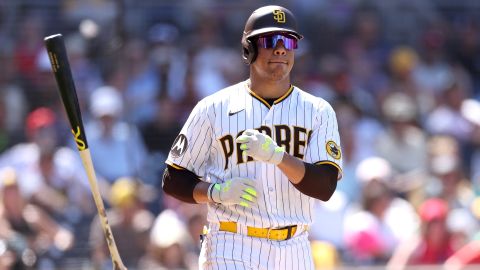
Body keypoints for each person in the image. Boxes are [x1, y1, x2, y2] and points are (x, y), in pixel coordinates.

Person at [162, 5, 343, 269]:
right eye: (271, 40)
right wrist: (215, 192)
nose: (280, 49)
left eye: (288, 41)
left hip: (295, 247)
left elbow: (324, 187)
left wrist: (278, 157)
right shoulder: (214, 108)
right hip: (231, 241)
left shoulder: (317, 110)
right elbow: (173, 179)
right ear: (249, 49)